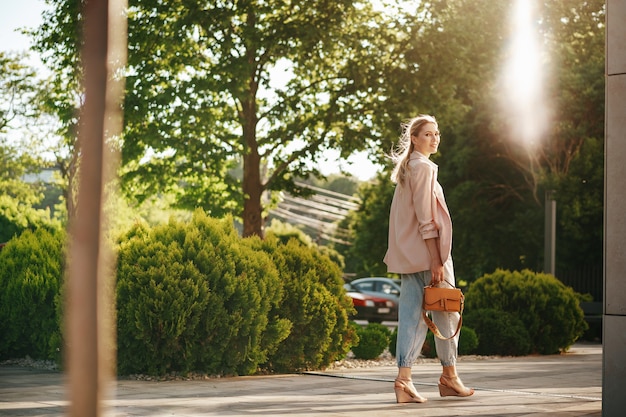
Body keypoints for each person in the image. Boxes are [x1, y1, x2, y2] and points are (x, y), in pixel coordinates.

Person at [383, 114, 474, 403]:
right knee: (446, 313)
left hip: (413, 256)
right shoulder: (422, 167)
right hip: (428, 255)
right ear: (414, 138)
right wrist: (436, 260)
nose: (434, 139)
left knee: (412, 317)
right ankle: (448, 377)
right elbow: (426, 220)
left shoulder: (409, 168)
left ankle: (406, 380)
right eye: (427, 134)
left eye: (437, 134)